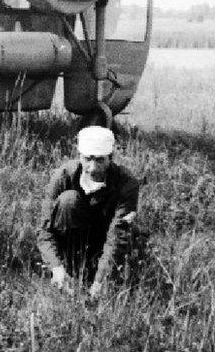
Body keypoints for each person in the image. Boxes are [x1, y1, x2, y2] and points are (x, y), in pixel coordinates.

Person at [36, 126, 140, 299]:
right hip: (71, 243)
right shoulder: (63, 177)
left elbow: (117, 235)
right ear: (79, 156)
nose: (92, 168)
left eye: (100, 160)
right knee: (68, 200)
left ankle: (94, 274)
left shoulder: (126, 183)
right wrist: (56, 267)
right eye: (87, 159)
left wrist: (101, 281)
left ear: (110, 158)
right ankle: (70, 270)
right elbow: (44, 230)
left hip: (103, 242)